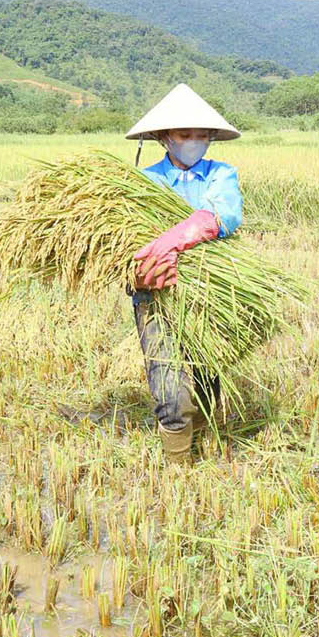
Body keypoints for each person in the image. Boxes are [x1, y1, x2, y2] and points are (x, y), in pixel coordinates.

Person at [124, 84, 243, 463]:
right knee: (169, 386)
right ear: (164, 137)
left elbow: (227, 215)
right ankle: (178, 469)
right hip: (156, 292)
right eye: (183, 135)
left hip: (209, 290)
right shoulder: (144, 181)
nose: (193, 142)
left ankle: (204, 441)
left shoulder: (221, 174)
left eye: (201, 135)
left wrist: (180, 237)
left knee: (208, 378)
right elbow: (126, 237)